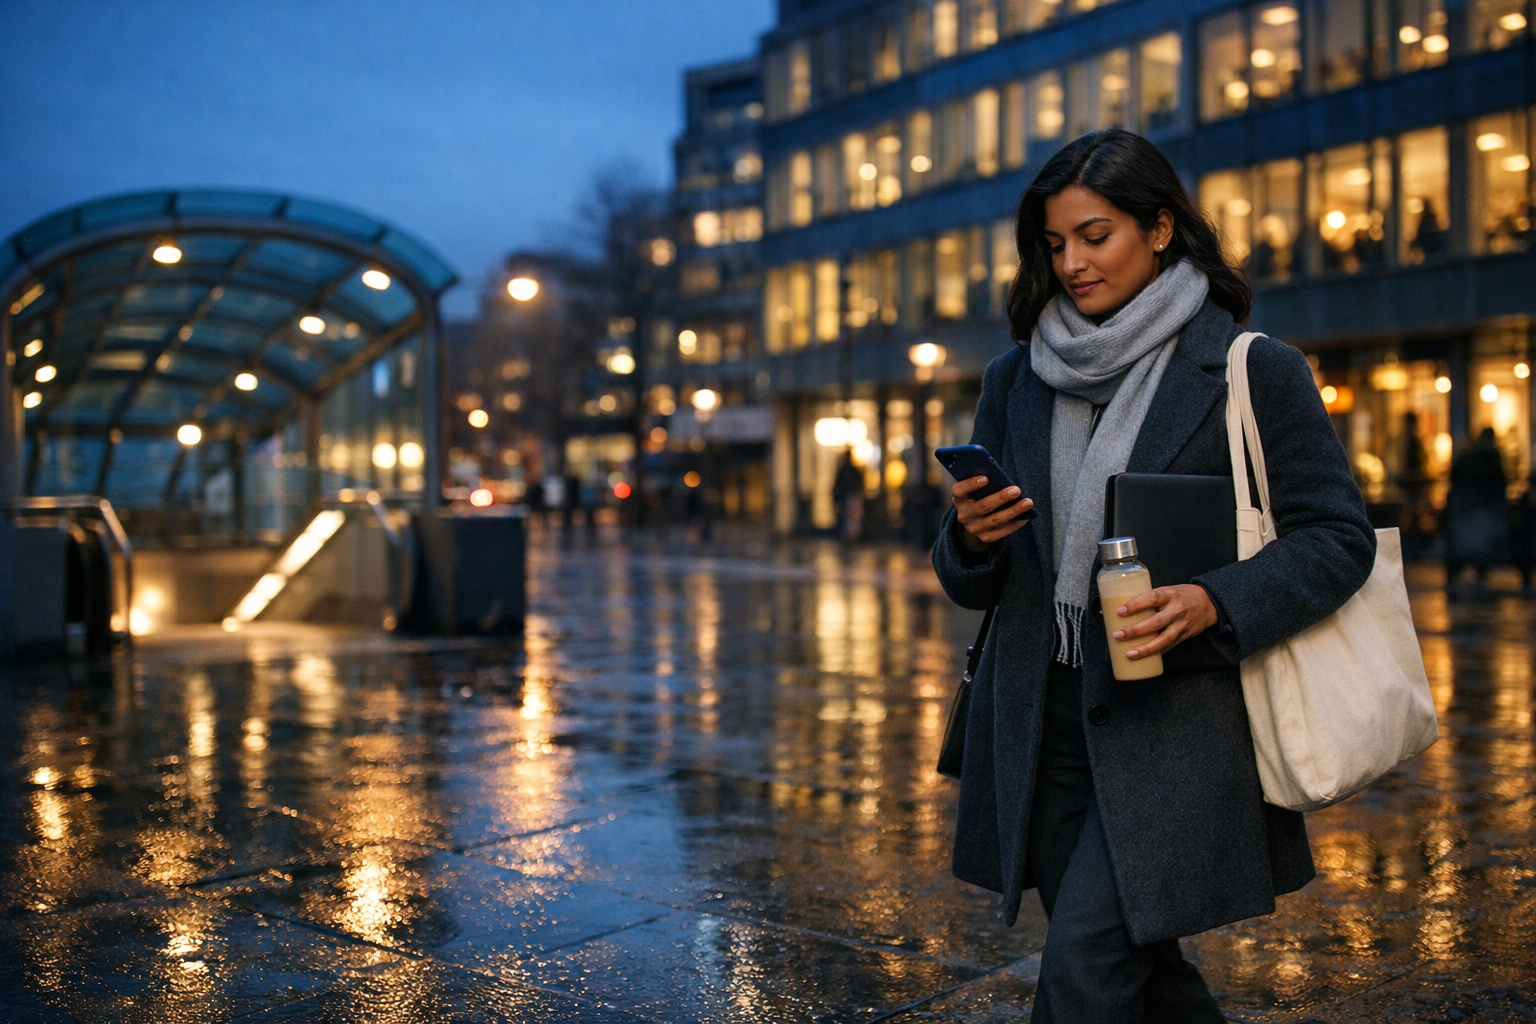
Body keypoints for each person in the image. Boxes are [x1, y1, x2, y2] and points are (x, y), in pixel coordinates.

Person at [931, 129, 1376, 1023]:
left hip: (1174, 725)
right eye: (1054, 245)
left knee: (1084, 978)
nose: (1072, 263)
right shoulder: (1017, 379)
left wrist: (1217, 598)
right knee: (1146, 974)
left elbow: (1338, 537)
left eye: (1095, 236)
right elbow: (969, 575)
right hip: (1040, 722)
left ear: (1162, 228)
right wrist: (971, 539)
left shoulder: (1253, 370)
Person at [1444, 427, 1510, 588]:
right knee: (1483, 540)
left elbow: (1453, 476)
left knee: (1465, 540)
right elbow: (1500, 479)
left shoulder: (1467, 453)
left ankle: (1462, 566)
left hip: (1464, 508)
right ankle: (1480, 568)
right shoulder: (1492, 454)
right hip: (1485, 505)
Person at [833, 451, 866, 542]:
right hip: (849, 497)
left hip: (851, 497)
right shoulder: (848, 470)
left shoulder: (849, 470)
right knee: (849, 518)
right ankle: (850, 536)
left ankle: (852, 536)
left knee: (852, 518)